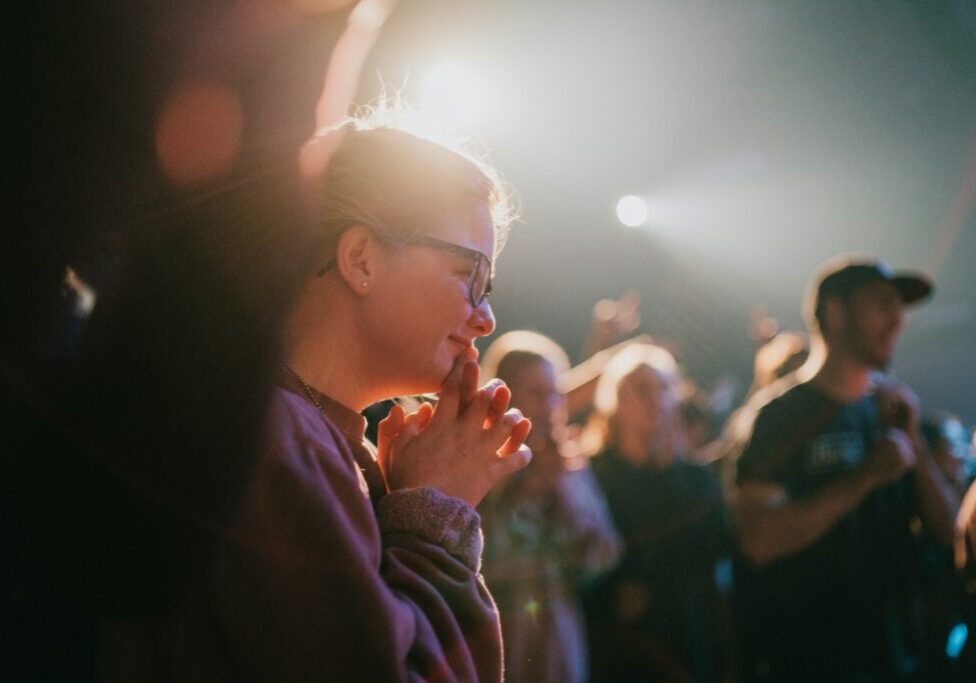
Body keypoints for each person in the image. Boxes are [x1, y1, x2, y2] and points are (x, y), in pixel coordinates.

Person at [100, 112, 534, 681]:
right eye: (469, 274)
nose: (486, 317)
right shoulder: (276, 441)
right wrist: (434, 510)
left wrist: (398, 502)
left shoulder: (295, 431)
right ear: (361, 259)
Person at [732, 256, 960, 681]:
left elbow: (949, 534)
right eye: (881, 305)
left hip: (900, 658)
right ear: (835, 314)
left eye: (899, 308)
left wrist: (916, 450)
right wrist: (867, 476)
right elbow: (758, 540)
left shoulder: (892, 408)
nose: (897, 321)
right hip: (812, 663)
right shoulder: (780, 416)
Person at [581, 343, 731, 682]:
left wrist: (670, 473)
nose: (655, 400)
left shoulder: (694, 478)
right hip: (616, 649)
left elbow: (714, 550)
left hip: (685, 642)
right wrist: (612, 593)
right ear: (615, 401)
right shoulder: (592, 477)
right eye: (641, 389)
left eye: (664, 388)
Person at [477, 331, 621, 683]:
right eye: (538, 393)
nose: (550, 406)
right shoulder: (477, 462)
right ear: (503, 396)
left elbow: (604, 557)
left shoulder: (570, 466)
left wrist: (563, 497)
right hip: (490, 639)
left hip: (558, 642)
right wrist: (526, 493)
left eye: (556, 393)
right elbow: (482, 562)